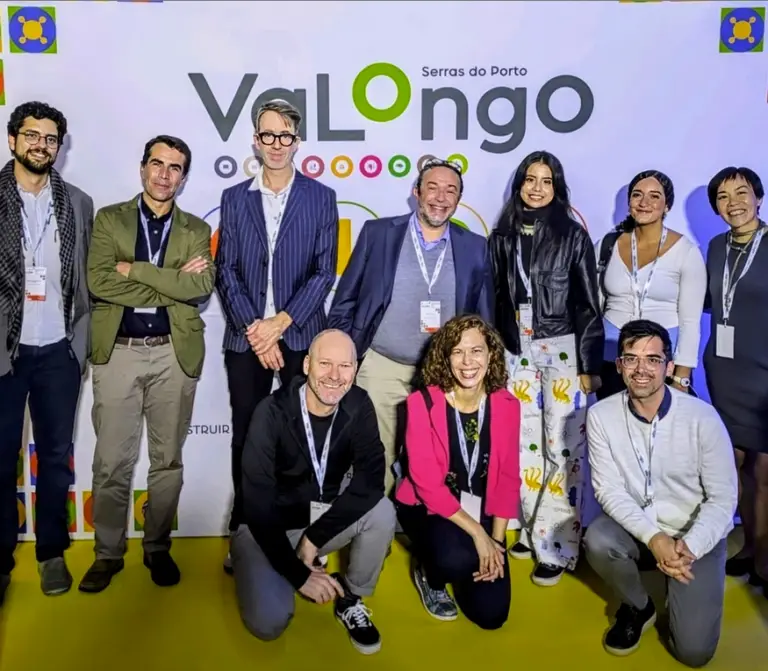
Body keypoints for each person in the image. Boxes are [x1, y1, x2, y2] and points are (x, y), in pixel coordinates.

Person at [79, 135, 214, 593]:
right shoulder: (109, 218)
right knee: (111, 462)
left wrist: (132, 269)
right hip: (117, 352)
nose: (164, 174)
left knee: (168, 461)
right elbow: (98, 282)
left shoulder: (195, 228)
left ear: (183, 176)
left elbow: (199, 289)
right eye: (157, 164)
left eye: (175, 167)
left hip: (173, 354)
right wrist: (170, 282)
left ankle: (157, 547)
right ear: (142, 168)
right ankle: (107, 553)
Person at [215, 99, 339, 572]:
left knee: (301, 438)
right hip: (246, 341)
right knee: (247, 437)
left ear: (297, 141)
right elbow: (225, 269)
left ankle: (298, 534)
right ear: (255, 139)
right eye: (268, 135)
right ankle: (245, 530)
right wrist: (256, 331)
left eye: (285, 136)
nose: (276, 144)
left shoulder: (320, 197)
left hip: (300, 335)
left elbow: (324, 271)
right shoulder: (235, 197)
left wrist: (280, 325)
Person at [328, 157, 494, 496]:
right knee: (374, 456)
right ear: (416, 191)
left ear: (459, 200)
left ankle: (429, 536)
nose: (440, 197)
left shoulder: (475, 247)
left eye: (451, 190)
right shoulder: (379, 234)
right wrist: (344, 354)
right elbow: (346, 298)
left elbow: (483, 316)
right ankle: (374, 535)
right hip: (381, 367)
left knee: (436, 461)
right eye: (432, 187)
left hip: (443, 375)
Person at [584, 319, 737, 667]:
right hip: (642, 530)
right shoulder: (600, 416)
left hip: (693, 537)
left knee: (694, 654)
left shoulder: (703, 418)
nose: (641, 369)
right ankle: (639, 605)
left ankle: (680, 580)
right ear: (619, 365)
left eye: (652, 359)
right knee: (598, 539)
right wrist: (655, 540)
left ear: (669, 367)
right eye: (631, 358)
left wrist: (689, 547)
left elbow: (723, 499)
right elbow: (608, 490)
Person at [235, 329, 396, 655]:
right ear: (307, 364)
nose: (335, 376)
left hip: (318, 526)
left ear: (355, 368)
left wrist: (313, 539)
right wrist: (297, 574)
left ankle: (350, 595)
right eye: (325, 364)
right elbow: (258, 508)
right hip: (264, 531)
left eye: (345, 366)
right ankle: (269, 570)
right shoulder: (270, 412)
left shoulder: (359, 403)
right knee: (269, 624)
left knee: (381, 511)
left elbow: (370, 481)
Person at [489, 149, 603, 586]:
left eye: (546, 180)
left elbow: (589, 303)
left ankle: (555, 546)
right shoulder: (501, 235)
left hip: (562, 347)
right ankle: (529, 525)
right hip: (515, 346)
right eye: (530, 179)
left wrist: (589, 364)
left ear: (557, 188)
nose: (537, 187)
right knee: (522, 444)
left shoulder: (573, 235)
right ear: (519, 184)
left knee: (562, 446)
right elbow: (495, 297)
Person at [0, 102, 93, 603]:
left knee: (56, 458)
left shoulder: (77, 202)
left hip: (59, 350)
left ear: (60, 146)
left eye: (51, 138)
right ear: (13, 139)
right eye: (32, 135)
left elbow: (84, 280)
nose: (41, 144)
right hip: (3, 355)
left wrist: (79, 348)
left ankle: (51, 550)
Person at [395, 315, 519, 629]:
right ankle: (430, 574)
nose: (467, 361)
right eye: (457, 352)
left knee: (492, 616)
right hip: (428, 509)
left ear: (490, 355)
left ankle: (464, 567)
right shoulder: (420, 404)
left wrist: (496, 544)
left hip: (481, 510)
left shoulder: (507, 404)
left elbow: (507, 478)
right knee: (454, 558)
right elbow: (426, 485)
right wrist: (479, 536)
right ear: (445, 357)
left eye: (476, 351)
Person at [702, 166, 768, 591]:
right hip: (725, 371)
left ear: (759, 198)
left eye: (741, 193)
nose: (734, 203)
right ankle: (747, 547)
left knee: (765, 469)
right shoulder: (714, 246)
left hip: (765, 372)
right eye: (723, 197)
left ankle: (765, 557)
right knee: (738, 463)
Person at [596, 170, 706, 398]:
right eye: (637, 195)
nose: (644, 202)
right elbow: (593, 309)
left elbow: (691, 320)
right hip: (611, 360)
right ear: (629, 203)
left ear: (667, 206)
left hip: (663, 364)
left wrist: (682, 376)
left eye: (654, 196)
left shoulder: (686, 252)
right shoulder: (606, 245)